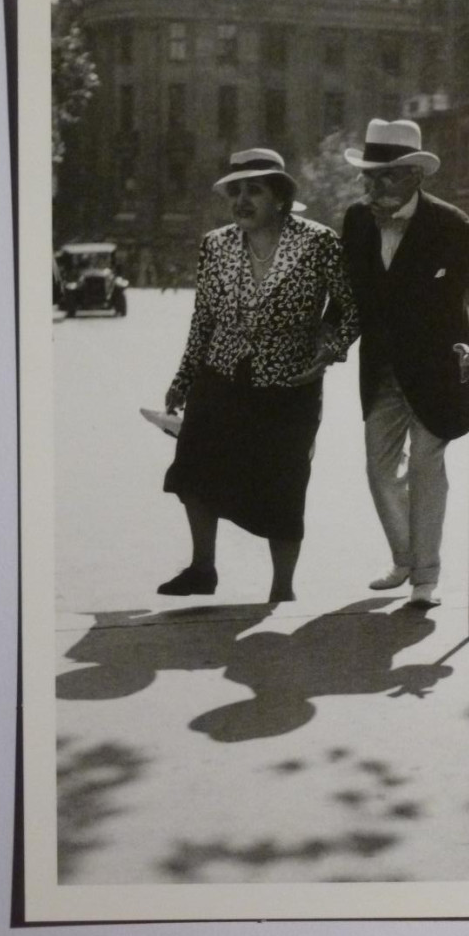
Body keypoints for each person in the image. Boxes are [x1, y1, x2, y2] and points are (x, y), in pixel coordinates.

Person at [159, 148, 359, 602]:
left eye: (254, 190)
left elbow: (349, 306)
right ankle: (202, 568)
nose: (241, 200)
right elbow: (203, 319)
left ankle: (282, 588)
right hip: (222, 372)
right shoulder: (216, 244)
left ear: (280, 197)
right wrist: (183, 377)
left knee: (285, 482)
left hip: (289, 383)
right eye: (236, 191)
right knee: (194, 467)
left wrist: (329, 349)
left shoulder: (317, 242)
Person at [341, 118, 469, 608]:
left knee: (424, 466)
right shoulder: (355, 221)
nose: (372, 189)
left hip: (440, 374)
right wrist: (329, 338)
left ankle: (426, 577)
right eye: (367, 178)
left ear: (416, 176)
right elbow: (352, 297)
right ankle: (404, 556)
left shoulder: (452, 226)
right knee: (378, 469)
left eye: (385, 177)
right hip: (381, 372)